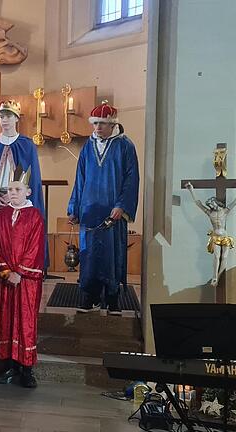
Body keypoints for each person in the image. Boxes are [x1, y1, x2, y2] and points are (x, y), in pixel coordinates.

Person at [67, 102, 139, 313]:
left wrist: (122, 206)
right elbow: (79, 179)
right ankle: (89, 296)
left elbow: (131, 180)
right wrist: (74, 208)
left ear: (112, 124)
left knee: (111, 254)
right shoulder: (87, 147)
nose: (97, 128)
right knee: (89, 255)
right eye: (95, 123)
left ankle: (112, 297)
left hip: (112, 213)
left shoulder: (126, 146)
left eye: (102, 124)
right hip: (89, 211)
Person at [0, 167, 45, 388]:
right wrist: (5, 271)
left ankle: (26, 368)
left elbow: (35, 247)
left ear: (28, 192)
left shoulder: (35, 216)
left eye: (17, 189)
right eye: (10, 189)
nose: (13, 193)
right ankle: (9, 366)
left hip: (26, 280)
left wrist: (19, 272)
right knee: (6, 319)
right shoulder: (0, 215)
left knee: (25, 320)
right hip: (5, 279)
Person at [0, 100, 45, 267]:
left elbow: (32, 179)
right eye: (1, 116)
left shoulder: (27, 145)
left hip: (19, 203)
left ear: (17, 119)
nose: (5, 120)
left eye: (9, 116)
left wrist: (16, 199)